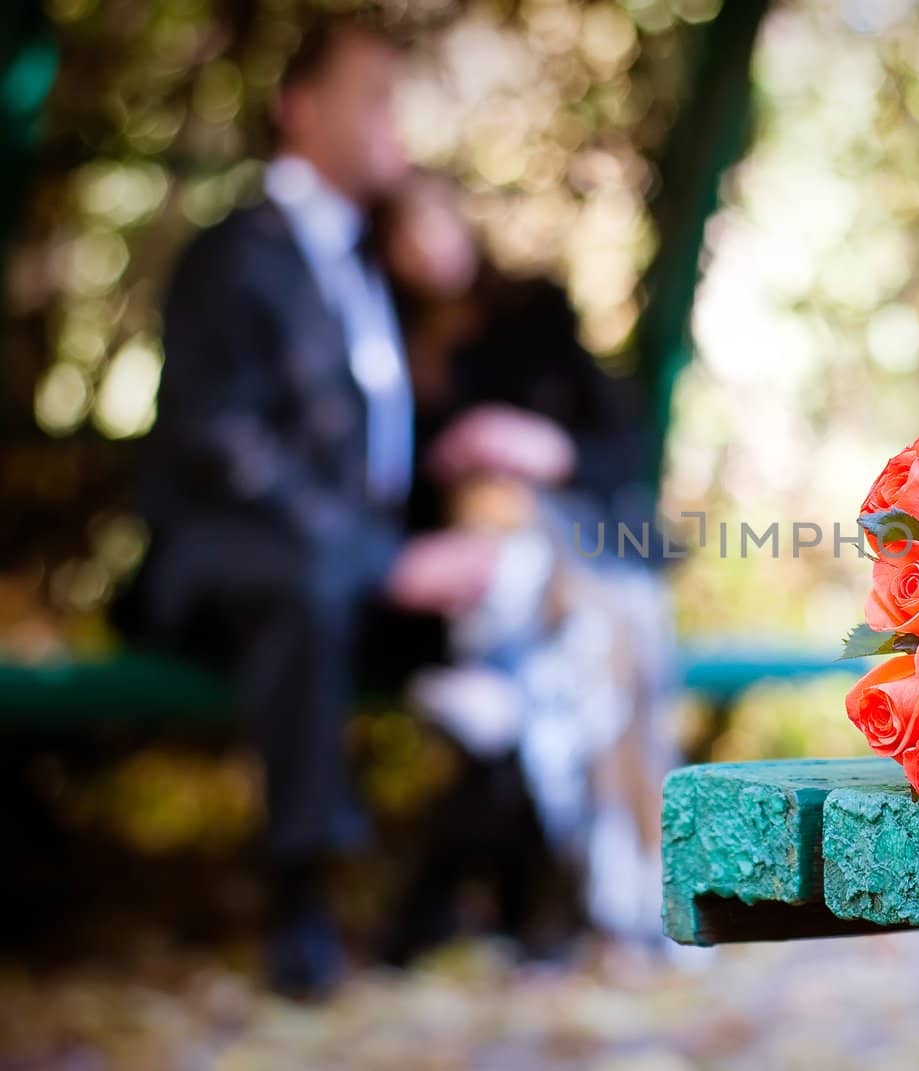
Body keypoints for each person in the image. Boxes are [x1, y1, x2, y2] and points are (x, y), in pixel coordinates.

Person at [136, 17, 500, 998]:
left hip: (358, 561)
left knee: (510, 596)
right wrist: (383, 560)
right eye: (374, 96)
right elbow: (220, 447)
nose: (396, 122)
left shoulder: (377, 265)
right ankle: (300, 894)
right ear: (301, 111)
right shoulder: (232, 254)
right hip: (232, 562)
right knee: (308, 586)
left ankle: (461, 882)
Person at [374, 173, 678, 959]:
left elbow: (621, 453)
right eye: (401, 232)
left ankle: (612, 886)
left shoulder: (534, 319)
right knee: (576, 636)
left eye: (432, 219)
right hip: (450, 591)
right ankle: (616, 896)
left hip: (568, 569)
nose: (424, 245)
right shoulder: (377, 346)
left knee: (588, 639)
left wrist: (545, 450)